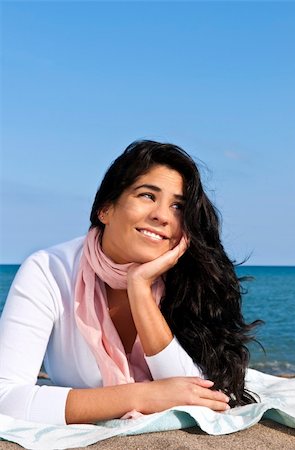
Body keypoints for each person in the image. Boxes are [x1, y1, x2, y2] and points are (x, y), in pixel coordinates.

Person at [0, 140, 261, 426]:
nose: (162, 216)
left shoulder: (190, 279)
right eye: (147, 196)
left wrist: (140, 289)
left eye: (177, 206)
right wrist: (143, 396)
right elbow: (5, 399)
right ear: (105, 209)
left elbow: (201, 394)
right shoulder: (48, 270)